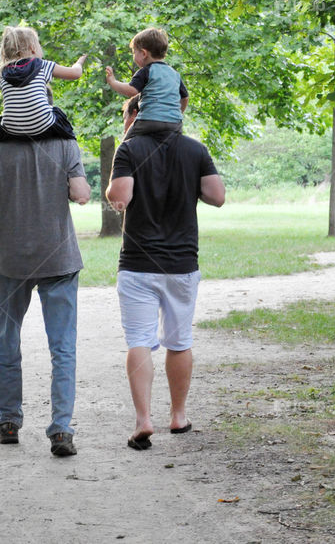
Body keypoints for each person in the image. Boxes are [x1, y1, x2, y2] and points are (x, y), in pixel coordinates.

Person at [105, 94, 225, 451]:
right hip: (181, 264)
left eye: (126, 114)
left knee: (139, 340)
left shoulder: (128, 149)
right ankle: (178, 416)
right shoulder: (195, 149)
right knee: (180, 340)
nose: (125, 120)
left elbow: (119, 198)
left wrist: (123, 158)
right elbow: (217, 196)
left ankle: (143, 420)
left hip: (138, 264)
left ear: (137, 114)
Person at [0, 130, 91, 457]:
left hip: (13, 260)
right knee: (63, 346)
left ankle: (8, 422)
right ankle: (61, 431)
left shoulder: (0, 146)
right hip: (60, 259)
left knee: (7, 338)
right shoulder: (67, 144)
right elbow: (81, 194)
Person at [0, 25, 87, 146]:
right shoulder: (41, 65)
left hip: (12, 129)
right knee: (58, 113)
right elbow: (75, 73)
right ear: (33, 48)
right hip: (42, 125)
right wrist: (79, 62)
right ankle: (70, 145)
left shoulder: (2, 72)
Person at [104, 27, 188, 140]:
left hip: (150, 120)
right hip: (174, 124)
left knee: (126, 145)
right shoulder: (174, 74)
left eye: (134, 52)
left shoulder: (146, 71)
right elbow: (185, 98)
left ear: (143, 53)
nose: (133, 56)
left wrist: (113, 82)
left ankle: (121, 156)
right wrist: (177, 113)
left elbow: (131, 91)